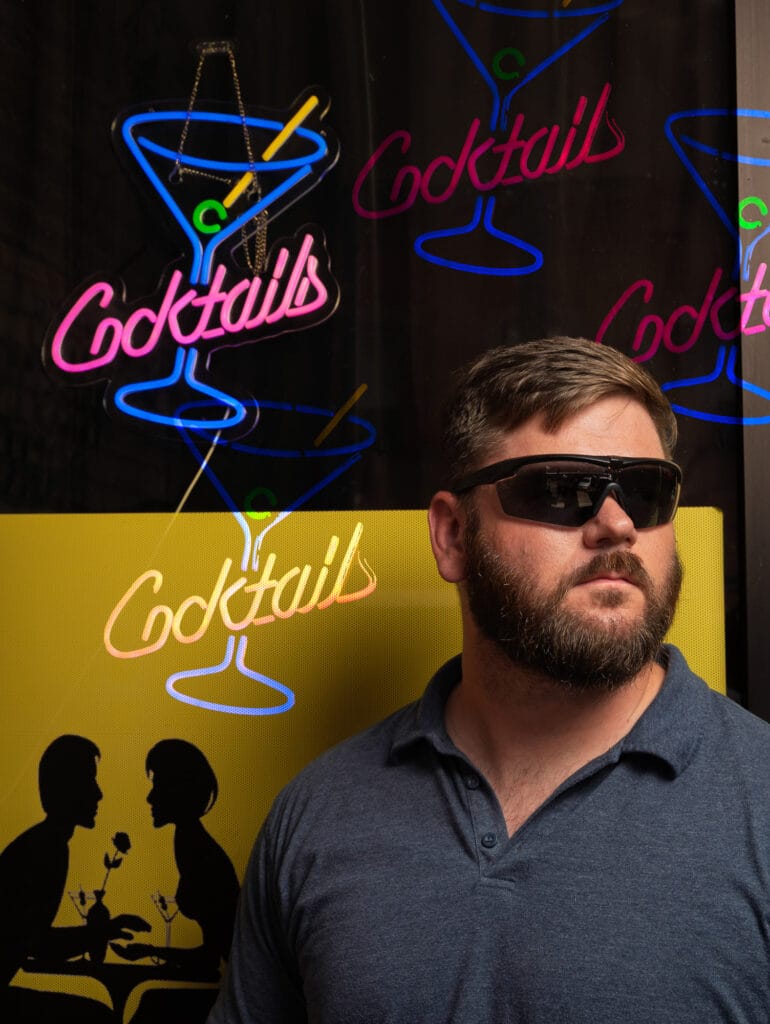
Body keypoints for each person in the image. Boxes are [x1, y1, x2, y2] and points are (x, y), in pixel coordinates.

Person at [207, 338, 770, 1023]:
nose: (618, 524)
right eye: (563, 489)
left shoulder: (759, 803)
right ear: (452, 535)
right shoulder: (320, 815)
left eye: (648, 493)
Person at [0, 734, 149, 1020]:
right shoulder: (46, 849)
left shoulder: (45, 843)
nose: (98, 794)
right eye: (89, 781)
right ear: (66, 788)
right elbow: (39, 945)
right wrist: (102, 932)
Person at [111, 740, 240, 1023]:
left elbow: (211, 959)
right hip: (232, 991)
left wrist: (150, 951)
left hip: (239, 999)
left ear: (181, 790)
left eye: (159, 785)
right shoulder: (189, 843)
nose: (150, 798)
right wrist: (149, 951)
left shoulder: (200, 853)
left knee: (150, 1008)